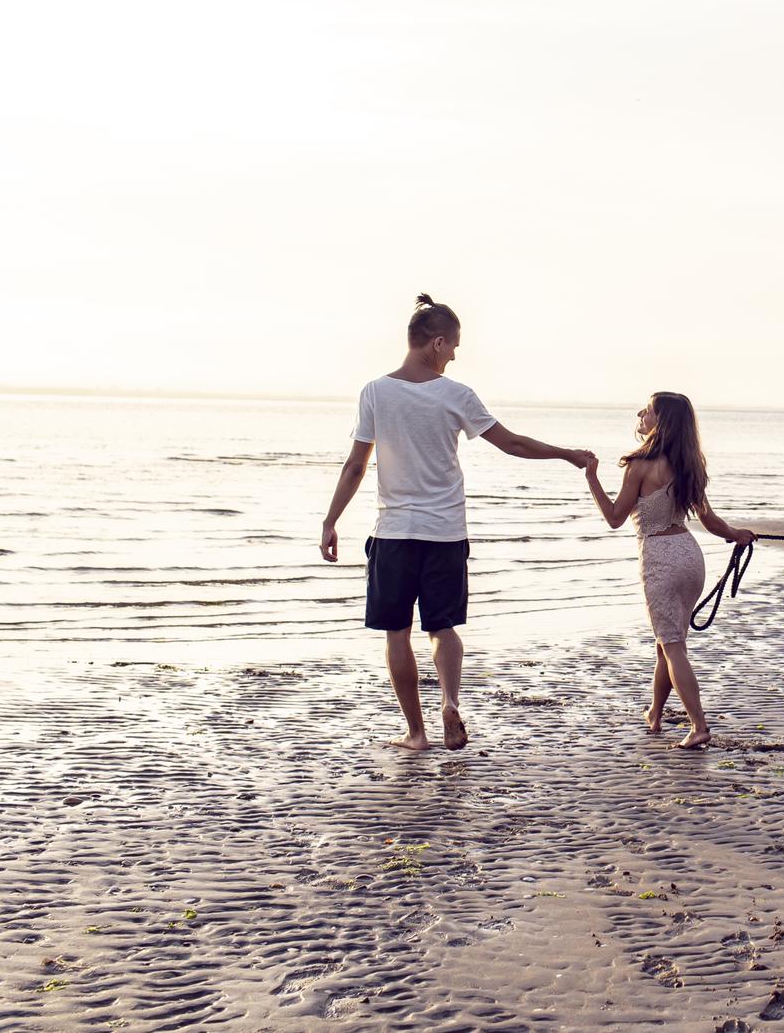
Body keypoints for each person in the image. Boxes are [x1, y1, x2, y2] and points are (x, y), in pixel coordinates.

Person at [321, 293, 594, 752]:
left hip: (394, 534)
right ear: (437, 341)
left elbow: (355, 466)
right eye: (453, 347)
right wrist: (566, 454)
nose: (454, 356)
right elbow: (512, 445)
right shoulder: (456, 395)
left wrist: (331, 520)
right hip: (445, 534)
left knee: (397, 634)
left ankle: (416, 733)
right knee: (443, 628)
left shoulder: (375, 392)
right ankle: (449, 700)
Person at [582, 392, 753, 750]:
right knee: (668, 643)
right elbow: (708, 519)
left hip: (660, 556)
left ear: (661, 422)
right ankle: (656, 714)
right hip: (690, 556)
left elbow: (615, 518)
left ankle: (699, 725)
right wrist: (736, 534)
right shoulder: (690, 464)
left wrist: (592, 477)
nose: (641, 413)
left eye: (648, 410)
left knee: (673, 645)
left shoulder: (640, 465)